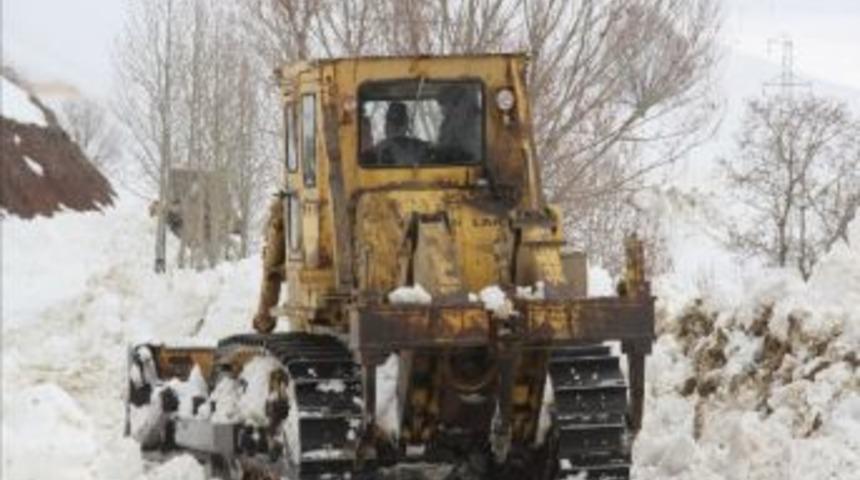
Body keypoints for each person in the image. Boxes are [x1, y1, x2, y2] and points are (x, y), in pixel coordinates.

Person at [436, 86, 481, 163]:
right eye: (442, 106)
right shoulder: (446, 124)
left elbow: (473, 150)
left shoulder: (478, 121)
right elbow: (443, 145)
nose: (442, 111)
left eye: (445, 105)